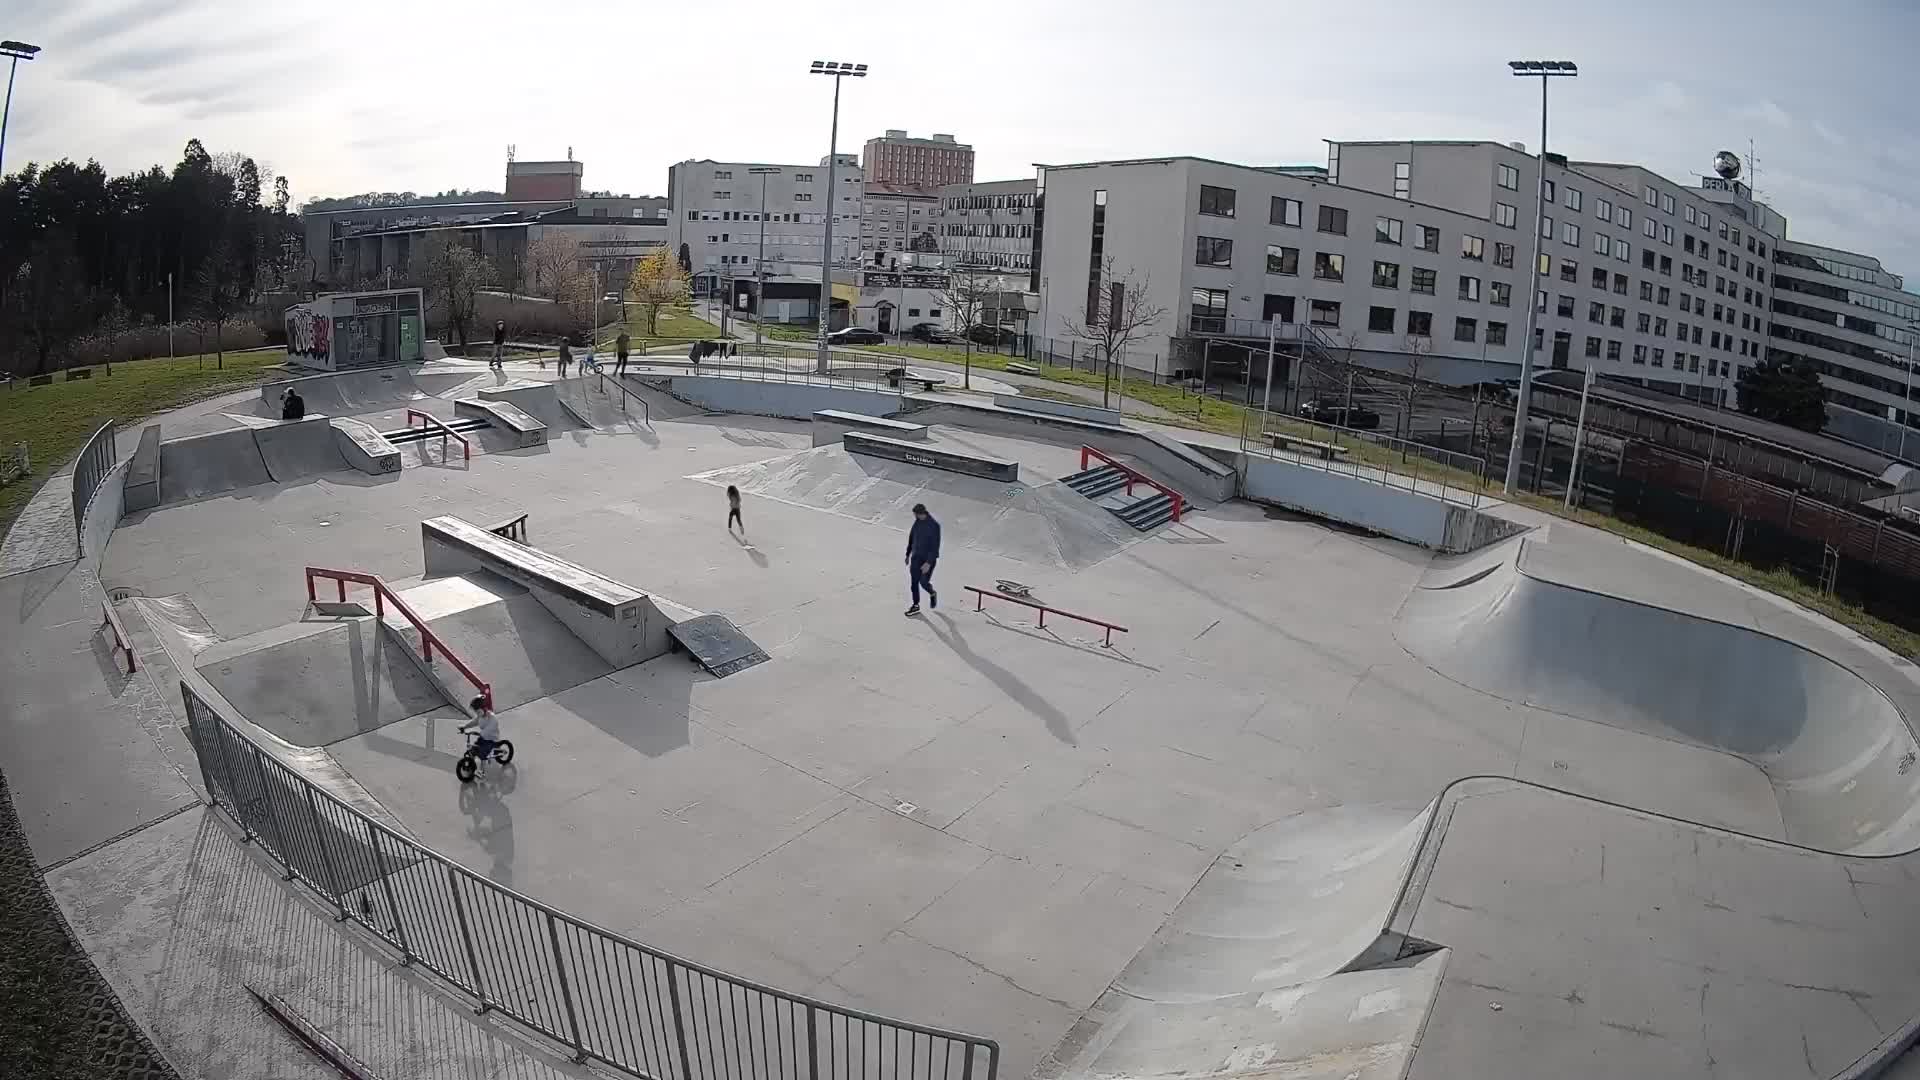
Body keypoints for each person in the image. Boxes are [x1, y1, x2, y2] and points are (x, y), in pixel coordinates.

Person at [904, 503, 941, 616]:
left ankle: (932, 592)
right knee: (914, 582)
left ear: (921, 513)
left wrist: (928, 563)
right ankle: (916, 605)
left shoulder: (934, 525)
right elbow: (912, 537)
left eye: (916, 514)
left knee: (923, 582)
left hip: (927, 560)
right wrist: (908, 554)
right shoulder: (917, 522)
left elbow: (935, 547)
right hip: (916, 557)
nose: (914, 516)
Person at [460, 695, 501, 772]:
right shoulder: (480, 716)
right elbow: (474, 722)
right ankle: (471, 764)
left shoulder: (492, 718)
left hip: (491, 739)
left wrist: (482, 733)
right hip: (482, 737)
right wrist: (465, 727)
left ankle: (482, 771)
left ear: (484, 708)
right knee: (473, 750)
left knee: (482, 754)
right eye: (476, 712)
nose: (477, 714)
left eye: (478, 711)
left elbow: (491, 728)